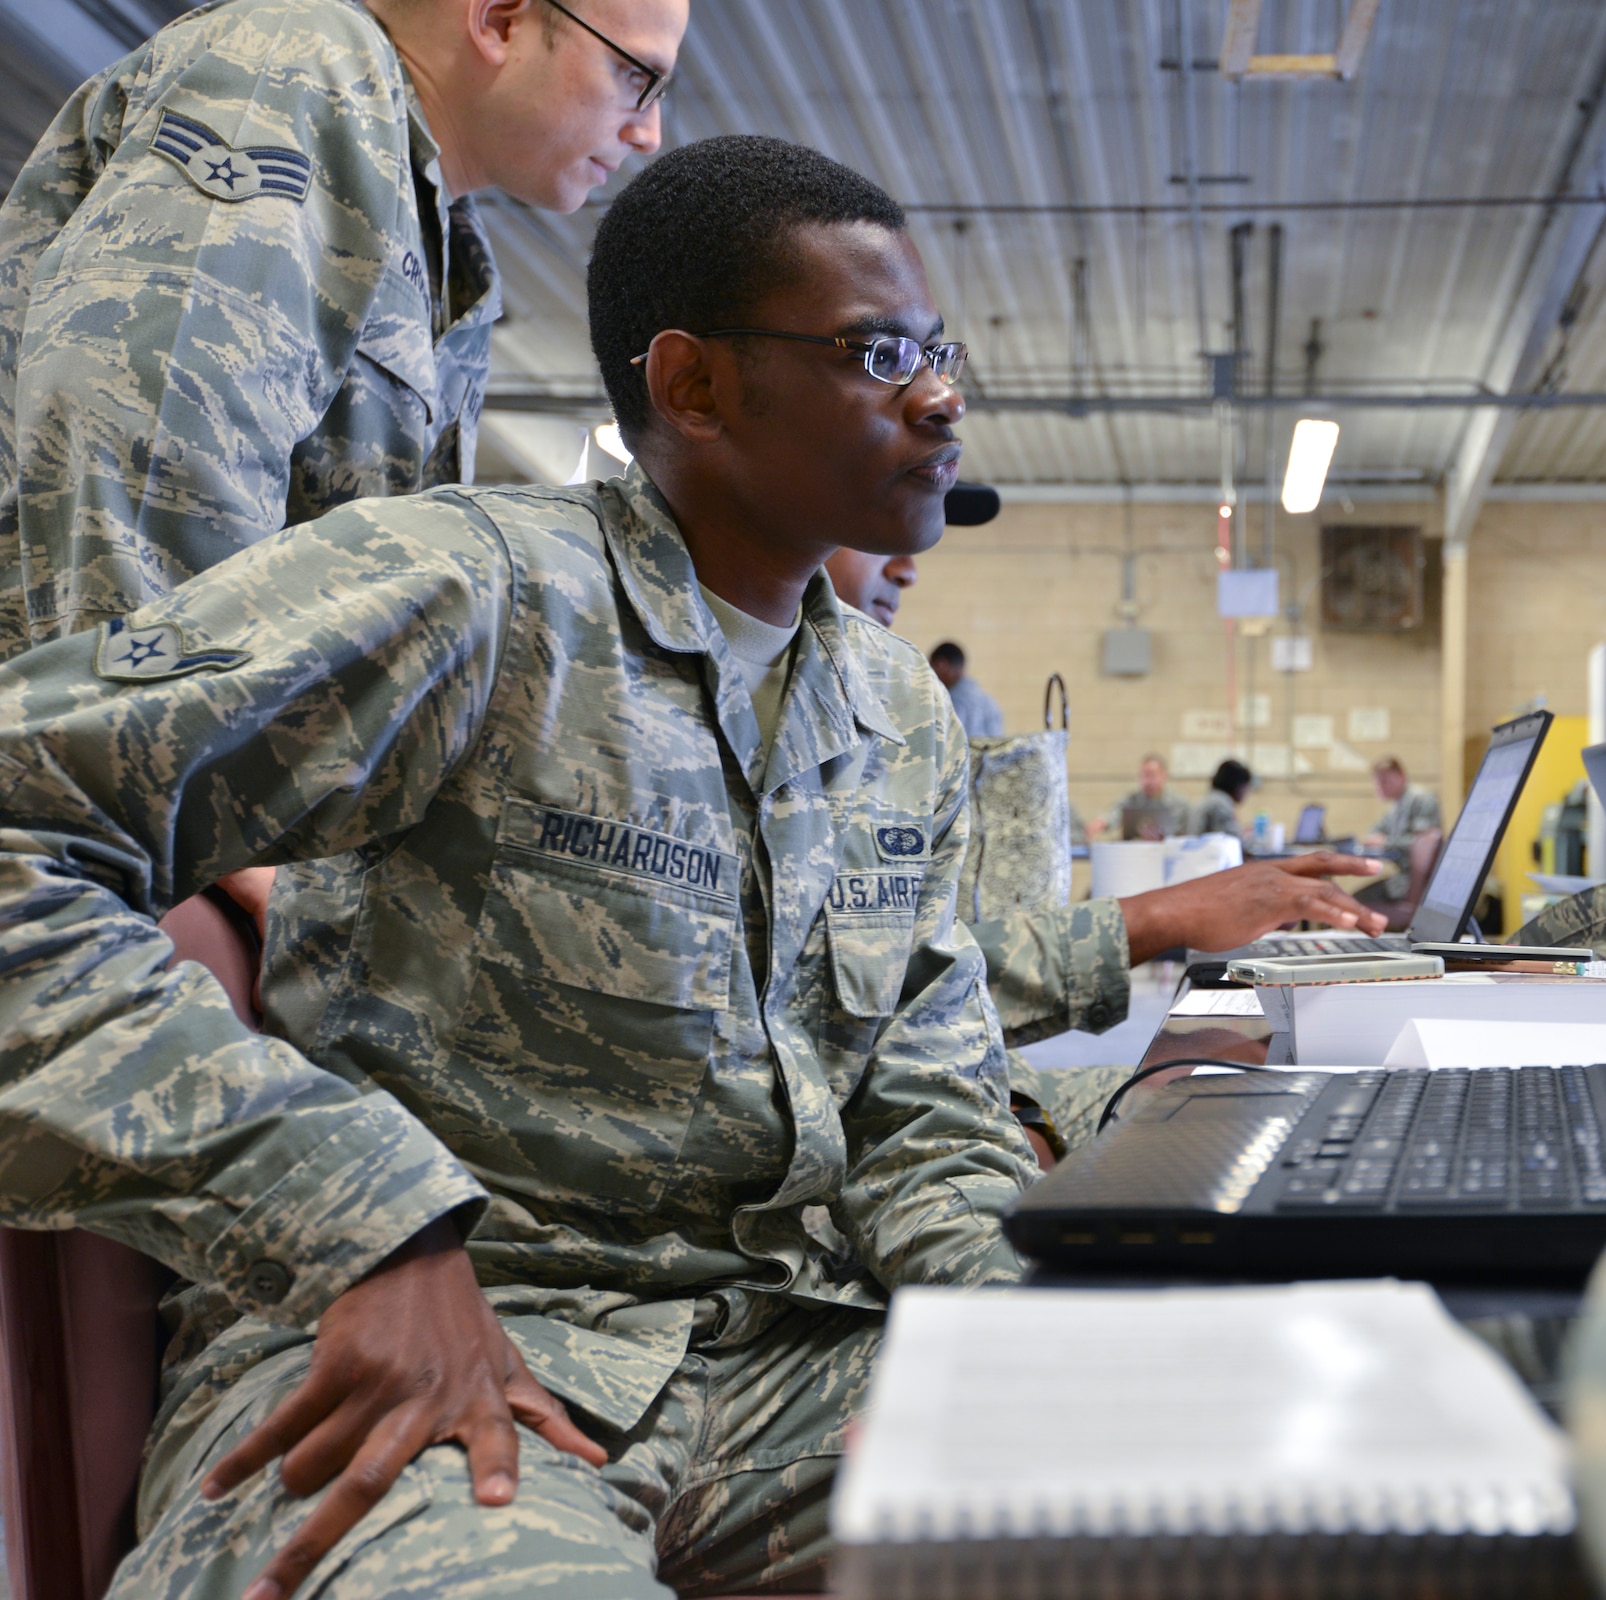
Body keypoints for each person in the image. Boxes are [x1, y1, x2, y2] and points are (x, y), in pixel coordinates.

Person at [0, 135, 1027, 1600]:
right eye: (878, 352)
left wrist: (1017, 1337)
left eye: (939, 351)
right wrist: (359, 1213)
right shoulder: (471, 592)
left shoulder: (894, 711)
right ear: (694, 385)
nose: (940, 396)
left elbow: (930, 1108)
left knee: (1269, 1482)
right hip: (430, 1353)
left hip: (775, 1353)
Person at [0, 0, 688, 928]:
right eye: (637, 76)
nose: (650, 131)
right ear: (503, 18)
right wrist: (183, 825)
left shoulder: (450, 248)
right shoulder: (296, 65)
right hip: (89, 800)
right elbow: (146, 443)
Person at [823, 549, 1390, 1160]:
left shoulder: (896, 699)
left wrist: (1028, 1107)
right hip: (888, 1134)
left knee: (1262, 1088)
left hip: (968, 1082)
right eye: (875, 534)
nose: (907, 569)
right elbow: (877, 1014)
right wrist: (1162, 916)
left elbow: (920, 983)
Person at [1359, 754, 1443, 903]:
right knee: (1358, 896)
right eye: (1377, 782)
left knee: (1359, 900)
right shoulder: (1395, 807)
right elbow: (1374, 833)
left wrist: (1385, 843)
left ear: (1401, 777)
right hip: (1405, 877)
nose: (1380, 787)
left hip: (1422, 881)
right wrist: (1375, 839)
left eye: (1385, 781)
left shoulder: (1421, 799)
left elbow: (1422, 845)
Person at [1091, 752, 1195, 840]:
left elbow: (1191, 832)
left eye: (1153, 775)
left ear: (1164, 776)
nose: (1148, 781)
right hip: (1138, 854)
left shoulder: (1181, 804)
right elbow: (1115, 813)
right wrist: (1102, 822)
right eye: (1145, 775)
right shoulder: (1132, 800)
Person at [928, 638, 1003, 736]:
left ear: (942, 665)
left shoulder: (950, 703)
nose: (930, 677)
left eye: (931, 669)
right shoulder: (989, 702)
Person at [1195, 757, 1253, 839]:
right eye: (1246, 787)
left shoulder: (1212, 798)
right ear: (1238, 786)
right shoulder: (1221, 805)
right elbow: (1232, 839)